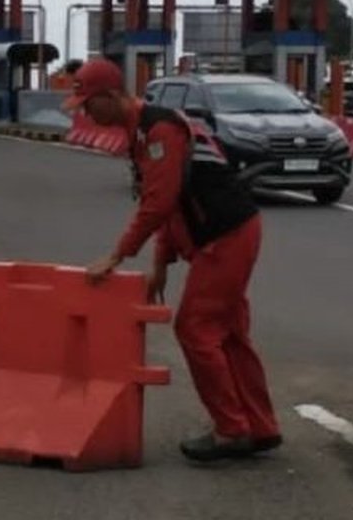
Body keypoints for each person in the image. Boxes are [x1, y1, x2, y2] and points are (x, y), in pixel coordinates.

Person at [62, 58, 281, 463]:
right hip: (225, 233)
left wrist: (116, 255)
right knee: (229, 333)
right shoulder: (142, 131)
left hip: (225, 236)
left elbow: (159, 202)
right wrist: (161, 262)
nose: (87, 115)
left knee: (196, 329)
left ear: (110, 97)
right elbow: (174, 202)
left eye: (88, 105)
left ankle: (232, 429)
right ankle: (259, 426)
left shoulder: (158, 129)